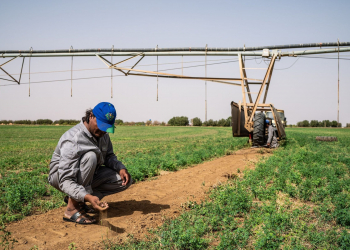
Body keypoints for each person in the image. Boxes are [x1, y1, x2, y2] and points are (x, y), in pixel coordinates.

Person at [48, 102, 132, 224]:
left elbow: (109, 156)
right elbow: (65, 179)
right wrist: (88, 196)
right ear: (91, 116)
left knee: (123, 181)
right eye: (101, 125)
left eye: (106, 127)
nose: (103, 131)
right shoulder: (73, 139)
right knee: (90, 156)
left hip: (88, 174)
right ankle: (71, 209)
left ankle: (78, 199)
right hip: (61, 177)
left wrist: (120, 168)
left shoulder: (103, 135)